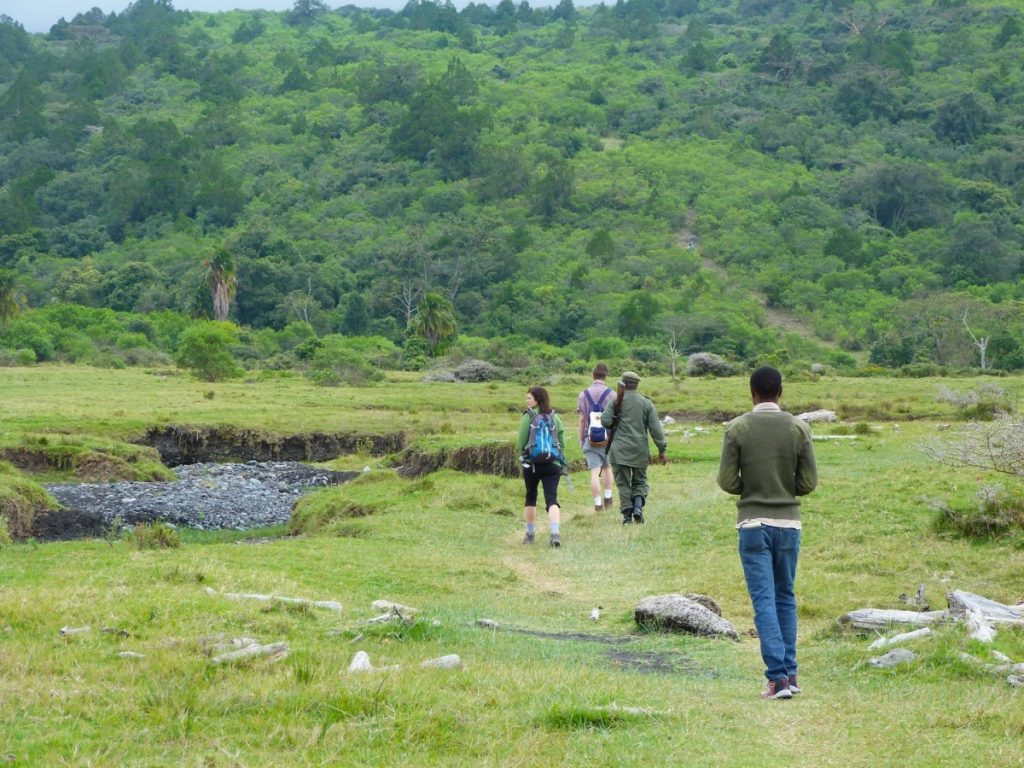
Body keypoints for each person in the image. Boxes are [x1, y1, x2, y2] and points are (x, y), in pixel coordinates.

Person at [716, 365, 818, 700]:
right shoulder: (799, 428)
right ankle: (790, 672)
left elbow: (728, 482)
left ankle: (776, 680)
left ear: (752, 392)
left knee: (764, 600)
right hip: (789, 523)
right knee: (785, 596)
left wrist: (753, 489)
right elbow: (808, 483)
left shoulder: (737, 428)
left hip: (752, 523)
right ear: (781, 392)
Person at [601, 371, 666, 525]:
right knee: (640, 481)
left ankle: (627, 516)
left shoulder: (616, 401)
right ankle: (638, 508)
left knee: (623, 483)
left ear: (623, 384)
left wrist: (616, 418)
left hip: (619, 450)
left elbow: (605, 421)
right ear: (637, 384)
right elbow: (656, 429)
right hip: (639, 449)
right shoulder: (646, 403)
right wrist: (661, 449)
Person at [518, 386, 566, 548]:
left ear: (537, 400)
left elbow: (521, 441)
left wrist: (524, 455)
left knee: (530, 497)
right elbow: (562, 442)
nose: (527, 401)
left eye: (529, 398)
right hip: (553, 464)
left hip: (532, 464)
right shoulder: (555, 417)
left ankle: (530, 535)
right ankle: (554, 534)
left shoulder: (528, 416)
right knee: (552, 500)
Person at [577, 363, 616, 513]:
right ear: (606, 376)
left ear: (593, 375)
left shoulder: (583, 394)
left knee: (594, 472)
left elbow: (581, 419)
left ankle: (598, 505)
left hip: (590, 438)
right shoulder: (612, 394)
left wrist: (581, 439)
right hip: (608, 439)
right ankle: (609, 499)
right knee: (608, 469)